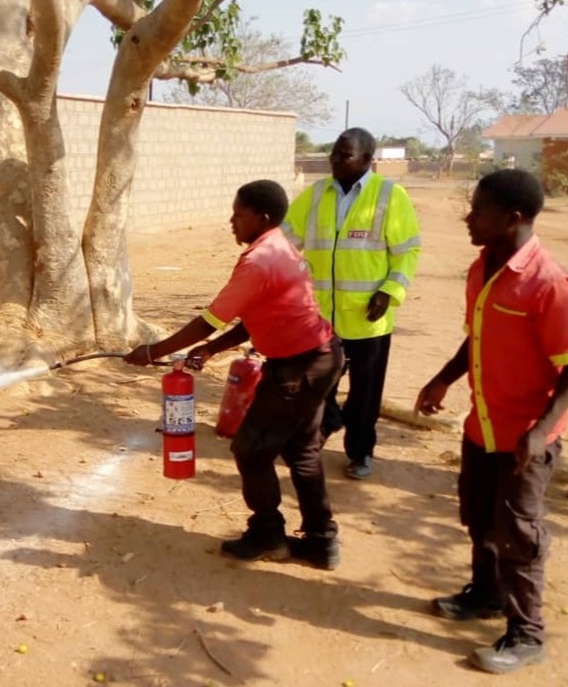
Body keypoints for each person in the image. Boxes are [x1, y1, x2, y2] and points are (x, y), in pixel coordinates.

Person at [123, 179, 344, 569]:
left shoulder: (260, 261)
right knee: (302, 452)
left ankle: (267, 534)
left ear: (261, 218)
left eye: (238, 215)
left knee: (251, 450)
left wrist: (153, 351)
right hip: (319, 357)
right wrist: (211, 350)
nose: (231, 222)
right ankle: (322, 543)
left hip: (299, 369)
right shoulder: (279, 248)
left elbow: (209, 319)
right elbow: (255, 317)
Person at [415, 169, 568, 674]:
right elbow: (475, 336)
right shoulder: (482, 268)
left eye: (478, 210)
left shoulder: (548, 282)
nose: (467, 217)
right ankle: (485, 594)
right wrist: (442, 379)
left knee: (518, 536)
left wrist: (541, 430)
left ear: (513, 218)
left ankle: (527, 634)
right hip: (481, 425)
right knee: (479, 518)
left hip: (526, 436)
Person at [283, 128, 421, 480]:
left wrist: (390, 290)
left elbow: (407, 252)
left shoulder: (390, 196)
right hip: (320, 318)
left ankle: (361, 452)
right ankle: (324, 425)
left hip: (367, 319)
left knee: (365, 394)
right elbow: (286, 241)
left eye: (344, 154)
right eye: (334, 152)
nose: (335, 160)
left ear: (367, 159)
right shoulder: (315, 194)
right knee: (316, 384)